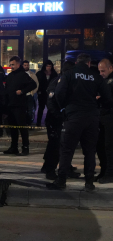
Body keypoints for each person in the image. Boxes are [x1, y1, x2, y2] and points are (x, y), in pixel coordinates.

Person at [47, 53, 113, 191]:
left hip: (74, 116)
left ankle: (61, 180)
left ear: (77, 63)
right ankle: (89, 182)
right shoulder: (95, 76)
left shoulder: (70, 74)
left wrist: (65, 108)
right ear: (89, 63)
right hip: (92, 117)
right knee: (89, 151)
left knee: (67, 150)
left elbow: (59, 93)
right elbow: (107, 97)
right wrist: (97, 105)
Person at [41, 61, 79, 180]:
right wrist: (59, 116)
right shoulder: (58, 82)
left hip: (64, 118)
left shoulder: (69, 82)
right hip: (55, 119)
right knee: (55, 146)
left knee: (64, 145)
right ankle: (50, 169)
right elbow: (51, 102)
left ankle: (64, 168)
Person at [3, 56, 37, 156]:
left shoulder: (23, 75)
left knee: (22, 127)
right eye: (10, 65)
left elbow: (33, 85)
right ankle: (14, 147)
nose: (11, 66)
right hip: (11, 105)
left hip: (20, 105)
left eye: (13, 64)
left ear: (18, 64)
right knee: (13, 127)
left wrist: (22, 91)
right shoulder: (10, 76)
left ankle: (25, 147)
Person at [96, 58, 113, 183]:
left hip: (110, 117)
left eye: (103, 70)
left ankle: (110, 173)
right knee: (101, 145)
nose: (101, 73)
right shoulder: (103, 81)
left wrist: (101, 99)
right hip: (102, 116)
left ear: (110, 68)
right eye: (99, 71)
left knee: (109, 146)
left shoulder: (111, 81)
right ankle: (104, 171)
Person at [36, 60, 58, 126]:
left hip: (50, 93)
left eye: (50, 66)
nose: (48, 67)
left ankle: (48, 121)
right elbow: (37, 83)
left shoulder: (54, 74)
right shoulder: (40, 73)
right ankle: (38, 122)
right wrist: (38, 91)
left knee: (50, 107)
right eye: (47, 66)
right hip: (42, 92)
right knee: (41, 108)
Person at [22, 60, 39, 125]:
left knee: (30, 110)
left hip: (29, 95)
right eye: (25, 65)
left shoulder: (32, 74)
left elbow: (36, 84)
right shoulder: (20, 74)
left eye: (27, 65)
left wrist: (32, 93)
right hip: (22, 95)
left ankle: (29, 123)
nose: (26, 66)